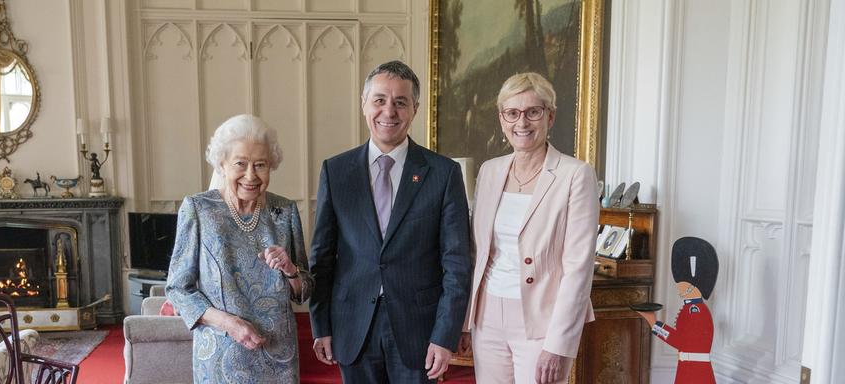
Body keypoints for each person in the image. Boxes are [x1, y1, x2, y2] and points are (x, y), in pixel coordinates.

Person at [308, 60, 472, 383]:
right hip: (353, 326)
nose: (389, 111)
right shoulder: (336, 172)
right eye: (380, 100)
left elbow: (457, 263)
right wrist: (321, 325)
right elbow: (322, 258)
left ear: (415, 109)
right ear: (364, 105)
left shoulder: (443, 174)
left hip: (419, 332)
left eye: (400, 102)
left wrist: (445, 334)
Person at [466, 72, 599, 384]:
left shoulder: (575, 175)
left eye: (533, 112)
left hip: (543, 320)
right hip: (487, 317)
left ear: (549, 117)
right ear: (502, 119)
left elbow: (578, 267)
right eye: (512, 113)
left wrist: (559, 344)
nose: (521, 123)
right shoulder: (489, 171)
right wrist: (465, 321)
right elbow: (477, 251)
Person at [165, 114, 313, 383]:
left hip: (278, 354)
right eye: (240, 164)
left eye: (260, 165)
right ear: (222, 164)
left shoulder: (285, 211)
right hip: (221, 355)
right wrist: (229, 324)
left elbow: (304, 292)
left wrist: (291, 270)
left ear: (272, 166)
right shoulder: (199, 210)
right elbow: (178, 289)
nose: (250, 175)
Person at [637, 237, 718, 384]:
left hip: (695, 371)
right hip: (689, 367)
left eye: (681, 284)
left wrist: (654, 324)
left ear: (691, 286)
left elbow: (681, 341)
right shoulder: (691, 308)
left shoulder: (696, 311)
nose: (678, 287)